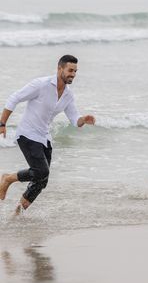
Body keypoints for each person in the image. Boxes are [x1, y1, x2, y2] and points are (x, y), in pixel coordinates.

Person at [0, 55, 95, 212]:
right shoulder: (41, 84)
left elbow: (74, 119)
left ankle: (19, 210)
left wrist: (83, 119)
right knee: (41, 171)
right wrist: (2, 123)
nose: (73, 74)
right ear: (60, 68)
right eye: (70, 70)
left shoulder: (68, 95)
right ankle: (8, 178)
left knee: (42, 180)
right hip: (27, 134)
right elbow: (14, 98)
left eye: (75, 71)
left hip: (44, 137)